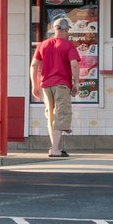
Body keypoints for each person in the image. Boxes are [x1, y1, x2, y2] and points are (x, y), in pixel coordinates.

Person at [31, 18, 79, 157]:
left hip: (46, 85)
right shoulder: (68, 45)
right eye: (67, 30)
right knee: (61, 115)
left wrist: (34, 84)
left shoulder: (43, 44)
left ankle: (55, 147)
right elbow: (74, 64)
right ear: (65, 30)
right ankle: (55, 149)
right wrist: (76, 83)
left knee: (50, 116)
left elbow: (34, 65)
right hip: (62, 84)